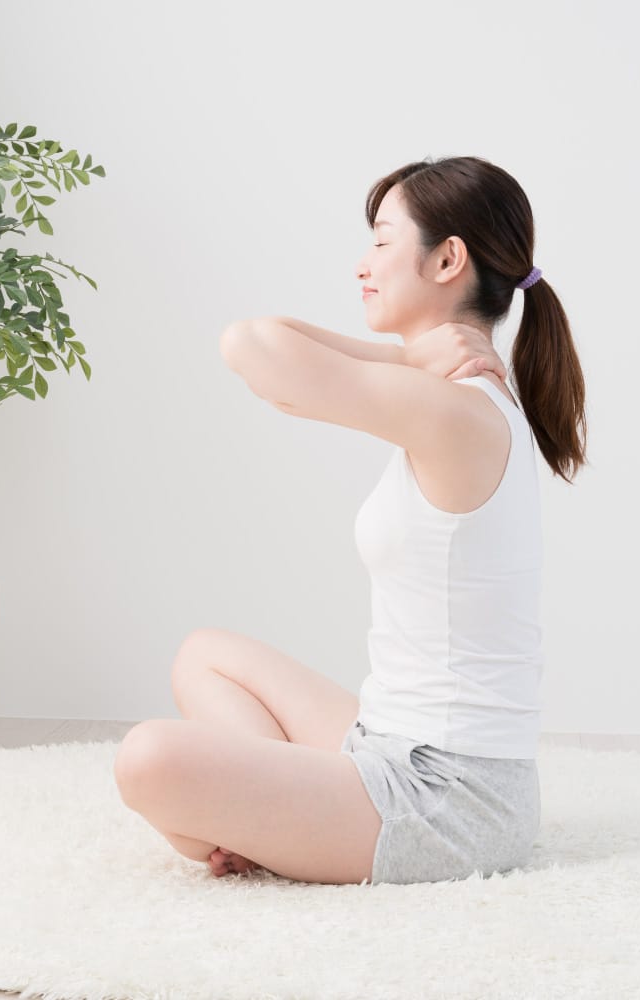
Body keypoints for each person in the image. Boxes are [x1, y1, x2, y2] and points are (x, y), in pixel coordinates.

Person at [113, 155, 588, 886]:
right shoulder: (448, 393)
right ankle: (278, 820)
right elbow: (267, 349)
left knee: (147, 759)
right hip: (386, 741)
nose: (363, 264)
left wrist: (412, 358)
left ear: (447, 260)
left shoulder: (457, 411)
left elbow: (250, 345)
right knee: (203, 656)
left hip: (448, 800)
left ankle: (270, 821)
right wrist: (414, 355)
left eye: (382, 241)